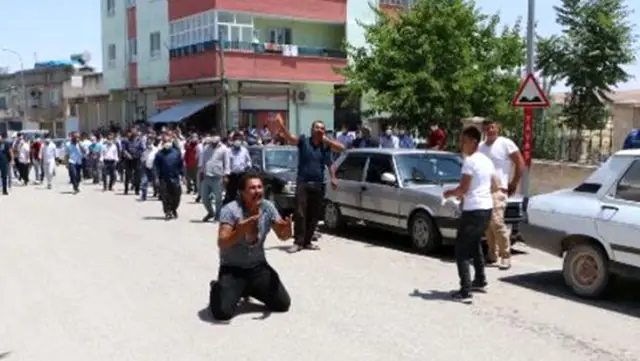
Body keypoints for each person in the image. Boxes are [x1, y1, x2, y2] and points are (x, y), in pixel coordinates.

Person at [209, 171, 293, 321]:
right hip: (233, 269)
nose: (257, 191)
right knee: (222, 313)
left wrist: (287, 231)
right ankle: (217, 287)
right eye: (252, 188)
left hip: (258, 267)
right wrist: (240, 231)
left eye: (260, 187)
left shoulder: (268, 207)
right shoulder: (230, 210)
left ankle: (249, 289)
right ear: (242, 192)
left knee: (282, 304)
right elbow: (222, 242)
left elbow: (282, 236)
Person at [273, 114, 343, 253]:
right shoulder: (304, 141)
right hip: (303, 183)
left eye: (322, 128)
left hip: (318, 184)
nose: (319, 130)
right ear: (312, 130)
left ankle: (307, 241)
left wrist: (333, 177)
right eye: (317, 127)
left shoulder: (325, 146)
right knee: (300, 213)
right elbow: (291, 138)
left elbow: (338, 152)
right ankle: (298, 242)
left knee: (314, 214)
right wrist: (281, 126)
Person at [443, 126, 496, 302]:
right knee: (474, 244)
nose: (461, 144)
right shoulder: (487, 161)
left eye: (463, 141)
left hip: (473, 210)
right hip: (486, 209)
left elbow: (463, 189)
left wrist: (449, 193)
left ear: (474, 142)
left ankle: (465, 290)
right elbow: (494, 186)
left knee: (461, 250)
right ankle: (480, 279)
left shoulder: (470, 161)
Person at [479, 119, 524, 269]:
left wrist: (514, 183)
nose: (490, 130)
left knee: (497, 222)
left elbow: (519, 162)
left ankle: (506, 255)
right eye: (487, 128)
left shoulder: (505, 143)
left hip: (499, 189)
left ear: (497, 128)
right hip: (484, 190)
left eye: (492, 127)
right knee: (487, 224)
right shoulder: (481, 147)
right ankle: (492, 253)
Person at [199, 136, 230, 222]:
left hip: (218, 177)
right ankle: (210, 212)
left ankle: (218, 215)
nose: (212, 145)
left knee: (218, 199)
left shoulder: (224, 149)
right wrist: (201, 171)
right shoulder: (206, 148)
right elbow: (203, 160)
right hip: (206, 176)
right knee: (204, 197)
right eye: (211, 143)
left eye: (214, 143)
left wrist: (226, 175)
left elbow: (227, 163)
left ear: (218, 142)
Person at [154, 134, 184, 220]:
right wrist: (156, 177)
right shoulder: (159, 154)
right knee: (165, 196)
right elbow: (156, 166)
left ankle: (173, 209)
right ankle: (167, 211)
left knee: (177, 196)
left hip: (175, 178)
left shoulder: (176, 153)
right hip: (163, 178)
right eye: (165, 141)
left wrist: (183, 176)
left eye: (168, 141)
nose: (166, 143)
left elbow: (181, 165)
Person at [224, 132, 252, 205]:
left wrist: (248, 166)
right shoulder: (229, 151)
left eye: (239, 139)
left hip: (242, 175)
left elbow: (248, 161)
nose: (237, 141)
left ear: (241, 140)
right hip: (232, 176)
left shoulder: (244, 150)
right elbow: (227, 164)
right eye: (236, 139)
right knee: (230, 194)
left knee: (242, 193)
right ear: (233, 140)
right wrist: (226, 176)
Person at [121, 128, 145, 195]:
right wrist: (127, 154)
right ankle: (126, 189)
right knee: (127, 175)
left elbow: (142, 149)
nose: (133, 133)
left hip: (137, 159)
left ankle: (136, 190)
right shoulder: (127, 140)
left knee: (138, 176)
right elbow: (124, 149)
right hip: (128, 159)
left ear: (137, 133)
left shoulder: (140, 140)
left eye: (135, 132)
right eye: (132, 132)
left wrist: (137, 154)